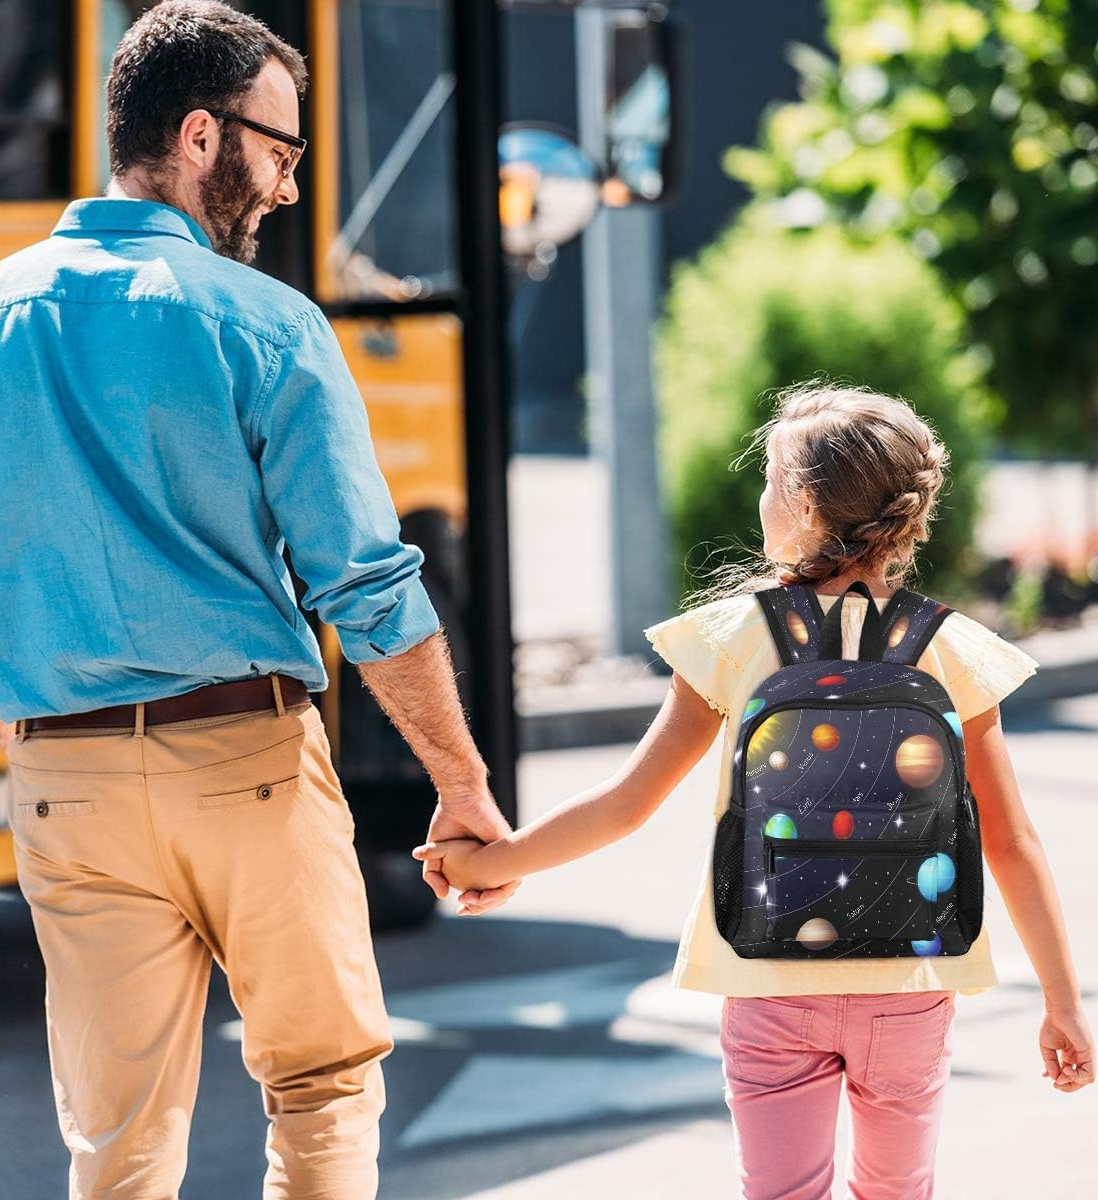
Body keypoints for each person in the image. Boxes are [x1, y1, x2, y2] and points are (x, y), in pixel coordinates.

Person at [0, 3, 516, 1197]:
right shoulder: (264, 322)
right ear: (199, 134)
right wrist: (459, 784)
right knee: (322, 1086)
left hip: (61, 784)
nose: (287, 186)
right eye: (281, 151)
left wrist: (37, 731)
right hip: (244, 760)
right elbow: (367, 583)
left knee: (117, 1138)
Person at [415, 384, 1094, 1199]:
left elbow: (627, 802)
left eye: (772, 482)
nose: (763, 498)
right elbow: (1012, 842)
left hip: (769, 981)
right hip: (909, 992)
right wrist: (1061, 1002)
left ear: (804, 505)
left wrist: (489, 863)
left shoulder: (736, 636)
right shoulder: (946, 647)